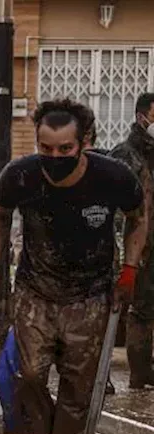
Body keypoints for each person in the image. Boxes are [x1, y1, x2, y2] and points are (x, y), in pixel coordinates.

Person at [0, 99, 146, 434]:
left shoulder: (112, 176)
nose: (55, 157)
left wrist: (129, 271)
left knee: (78, 386)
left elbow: (138, 219)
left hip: (90, 293)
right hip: (36, 289)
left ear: (84, 142)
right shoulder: (21, 175)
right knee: (27, 375)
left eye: (65, 148)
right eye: (46, 148)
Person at [107, 92, 154, 390]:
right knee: (121, 309)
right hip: (130, 247)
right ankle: (109, 375)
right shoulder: (126, 155)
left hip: (150, 246)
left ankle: (142, 372)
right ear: (142, 117)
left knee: (144, 308)